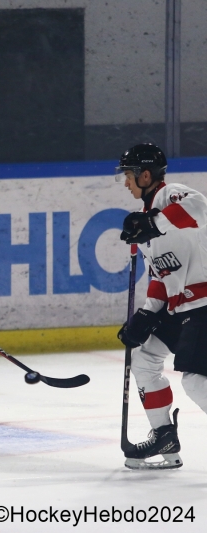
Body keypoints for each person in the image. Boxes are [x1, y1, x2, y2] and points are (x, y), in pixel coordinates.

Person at [116, 142, 207, 469]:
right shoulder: (144, 220)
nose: (125, 183)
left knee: (195, 380)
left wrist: (154, 223)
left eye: (127, 175)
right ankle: (164, 436)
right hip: (181, 307)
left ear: (145, 174)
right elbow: (161, 274)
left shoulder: (172, 196)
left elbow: (200, 206)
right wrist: (146, 314)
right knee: (144, 359)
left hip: (204, 304)